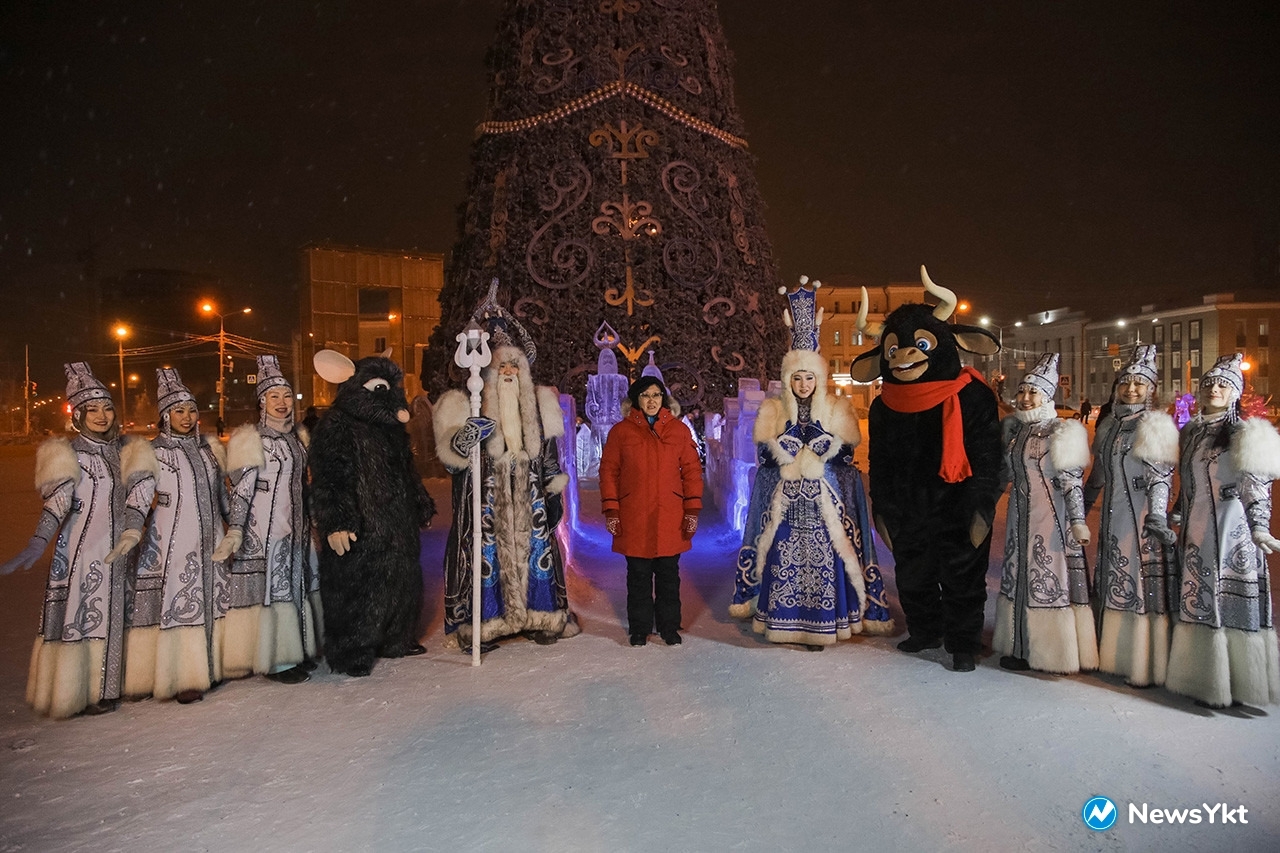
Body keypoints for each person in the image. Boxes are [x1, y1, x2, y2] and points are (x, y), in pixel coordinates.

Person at [732, 278, 894, 649]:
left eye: (809, 378)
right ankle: (785, 624)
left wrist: (826, 446)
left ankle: (823, 626)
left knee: (825, 561)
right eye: (797, 378)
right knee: (786, 559)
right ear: (788, 380)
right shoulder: (773, 410)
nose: (803, 384)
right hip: (786, 506)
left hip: (825, 505)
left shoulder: (838, 409)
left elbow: (849, 457)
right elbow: (764, 459)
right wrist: (786, 447)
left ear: (818, 379)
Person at [1, 363, 157, 718]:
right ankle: (81, 689)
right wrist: (39, 540)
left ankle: (121, 683)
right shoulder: (66, 454)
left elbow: (139, 495)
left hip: (124, 548)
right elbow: (57, 503)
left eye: (107, 408)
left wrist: (133, 530)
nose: (102, 416)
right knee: (84, 616)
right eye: (92, 410)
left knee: (124, 614)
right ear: (78, 415)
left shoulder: (130, 449)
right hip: (81, 551)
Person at [432, 294, 579, 650]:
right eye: (502, 368)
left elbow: (547, 452)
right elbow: (453, 457)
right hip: (488, 493)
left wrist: (552, 485)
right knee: (488, 558)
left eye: (515, 366)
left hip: (529, 494)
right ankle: (485, 624)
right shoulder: (466, 402)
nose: (509, 373)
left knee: (535, 554)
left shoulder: (540, 405)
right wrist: (469, 433)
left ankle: (539, 615)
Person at [1166, 354, 1280, 707]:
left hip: (1232, 530)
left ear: (1235, 393)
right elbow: (1188, 482)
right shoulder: (1192, 431)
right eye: (1209, 384)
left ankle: (1240, 685)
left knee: (1228, 601)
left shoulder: (1244, 432)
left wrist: (1260, 527)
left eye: (1224, 385)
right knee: (1200, 598)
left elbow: (1255, 483)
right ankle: (1203, 680)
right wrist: (1178, 514)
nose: (1215, 389)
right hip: (1198, 530)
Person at [124, 368, 231, 704]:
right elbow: (138, 499)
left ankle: (215, 666)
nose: (187, 417)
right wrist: (130, 529)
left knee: (212, 601)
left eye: (191, 410)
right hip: (171, 541)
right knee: (179, 604)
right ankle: (182, 675)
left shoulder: (210, 449)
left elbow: (223, 497)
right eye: (178, 411)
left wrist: (237, 528)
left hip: (211, 539)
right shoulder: (152, 453)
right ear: (164, 416)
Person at [216, 355, 321, 683]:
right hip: (265, 531)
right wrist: (235, 530)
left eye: (287, 396)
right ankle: (275, 661)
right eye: (273, 396)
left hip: (296, 529)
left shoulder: (296, 438)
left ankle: (294, 652)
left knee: (294, 589)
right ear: (261, 401)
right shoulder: (251, 440)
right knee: (272, 594)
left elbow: (304, 483)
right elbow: (242, 490)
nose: (282, 403)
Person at [993, 354, 1098, 674]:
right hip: (1018, 518)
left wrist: (1078, 521)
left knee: (1048, 580)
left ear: (1048, 396)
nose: (1025, 399)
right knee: (1019, 577)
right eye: (1022, 392)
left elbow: (1071, 481)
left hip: (1050, 518)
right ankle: (1020, 647)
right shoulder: (1018, 431)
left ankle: (1051, 653)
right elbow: (1005, 475)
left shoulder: (1061, 431)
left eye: (1033, 393)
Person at [1083, 345, 1178, 687]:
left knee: (1138, 585)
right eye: (1126, 382)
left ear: (1151, 388)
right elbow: (1098, 475)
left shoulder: (1155, 424)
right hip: (1112, 517)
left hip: (1140, 521)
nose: (1132, 389)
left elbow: (1161, 477)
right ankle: (1110, 654)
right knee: (1113, 580)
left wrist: (1156, 516)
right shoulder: (1109, 424)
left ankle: (1141, 662)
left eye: (1140, 383)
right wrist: (1079, 508)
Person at [600, 376, 703, 646]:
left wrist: (691, 509)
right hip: (634, 515)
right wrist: (611, 509)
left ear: (664, 399)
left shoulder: (679, 431)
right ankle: (639, 627)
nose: (652, 401)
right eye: (645, 395)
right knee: (638, 576)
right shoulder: (620, 433)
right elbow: (609, 472)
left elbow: (692, 472)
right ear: (636, 400)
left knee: (669, 575)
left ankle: (669, 626)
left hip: (670, 514)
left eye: (657, 395)